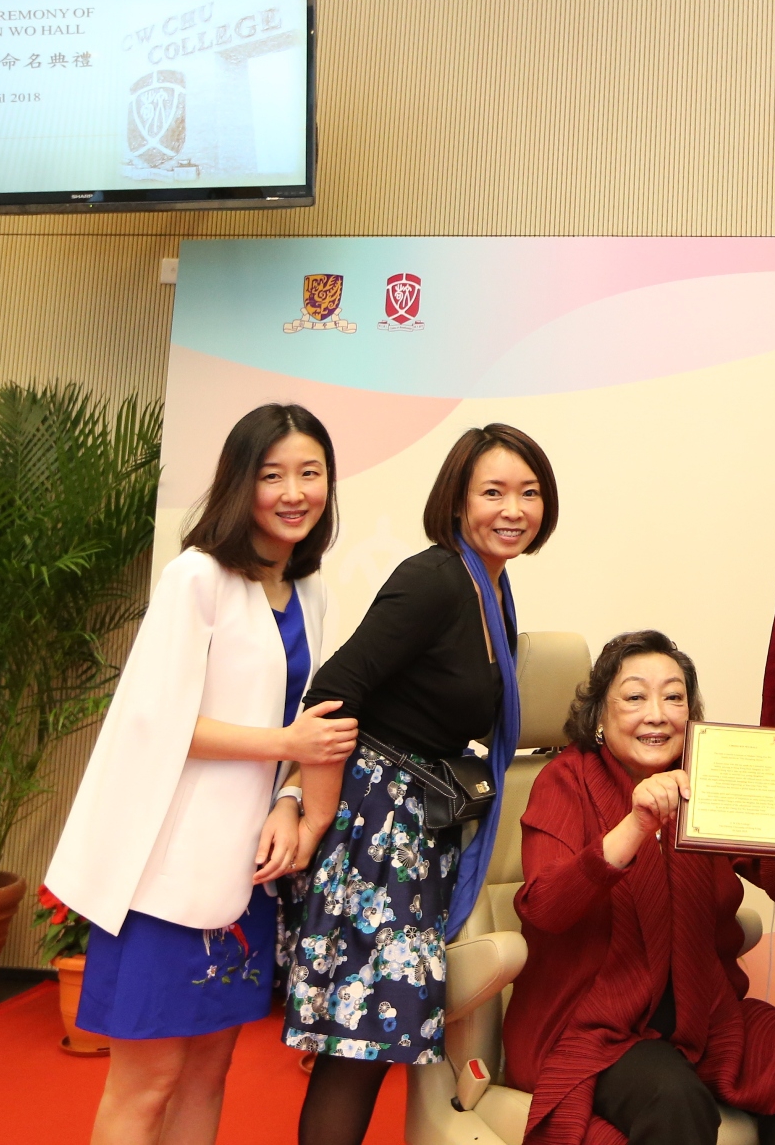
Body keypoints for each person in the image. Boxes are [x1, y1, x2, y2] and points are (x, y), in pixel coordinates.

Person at [46, 403, 359, 1145]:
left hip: (244, 876)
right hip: (168, 876)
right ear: (239, 485)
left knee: (207, 1075)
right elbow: (159, 723)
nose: (293, 492)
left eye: (309, 474)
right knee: (145, 1082)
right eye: (272, 475)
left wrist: (290, 797)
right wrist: (286, 743)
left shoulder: (310, 591)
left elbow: (307, 733)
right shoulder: (197, 576)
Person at [285, 424, 558, 1145]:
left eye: (528, 493)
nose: (513, 509)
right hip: (380, 833)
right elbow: (333, 692)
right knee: (359, 1045)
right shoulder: (436, 576)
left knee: (376, 1035)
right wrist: (311, 816)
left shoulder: (491, 587)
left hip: (416, 831)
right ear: (458, 501)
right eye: (493, 491)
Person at [506, 631, 775, 1145]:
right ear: (600, 717)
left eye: (674, 697)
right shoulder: (565, 780)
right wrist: (636, 824)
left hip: (705, 1018)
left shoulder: (707, 780)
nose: (657, 714)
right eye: (634, 697)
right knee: (673, 1096)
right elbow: (545, 908)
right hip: (591, 1028)